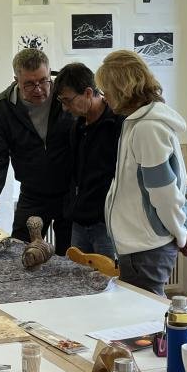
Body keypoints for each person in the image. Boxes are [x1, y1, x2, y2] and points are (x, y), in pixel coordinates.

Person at [95, 50, 187, 296]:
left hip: (145, 246)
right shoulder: (138, 123)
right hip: (139, 244)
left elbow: (163, 192)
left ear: (121, 88)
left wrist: (181, 233)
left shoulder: (147, 128)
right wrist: (182, 228)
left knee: (144, 319)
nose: (104, 96)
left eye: (105, 89)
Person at [0, 49, 74, 254]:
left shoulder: (67, 96)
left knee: (71, 257)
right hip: (33, 193)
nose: (38, 89)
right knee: (21, 252)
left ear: (50, 74)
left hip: (70, 192)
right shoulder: (2, 108)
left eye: (43, 81)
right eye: (29, 84)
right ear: (16, 80)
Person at [53, 62, 123, 257]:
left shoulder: (118, 123)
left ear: (88, 93)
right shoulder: (77, 127)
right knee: (77, 282)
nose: (65, 108)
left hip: (108, 226)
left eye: (68, 100)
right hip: (79, 223)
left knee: (110, 282)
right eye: (62, 102)